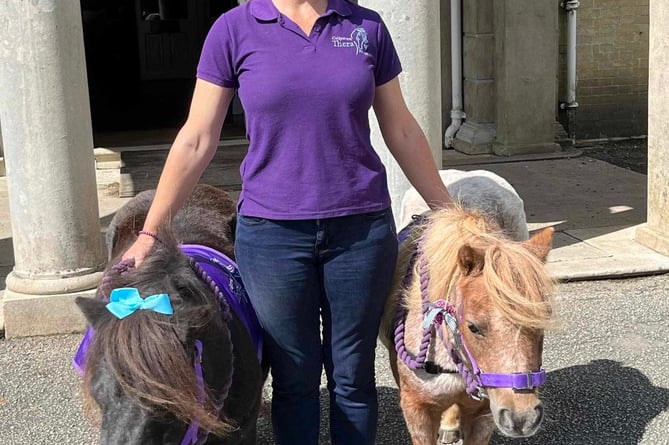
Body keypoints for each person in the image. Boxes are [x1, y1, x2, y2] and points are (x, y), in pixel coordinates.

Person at [122, 0, 453, 443]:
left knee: (352, 376)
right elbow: (197, 138)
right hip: (272, 236)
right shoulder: (234, 30)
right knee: (294, 379)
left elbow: (402, 129)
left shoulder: (364, 26)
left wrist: (449, 212)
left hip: (360, 232)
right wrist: (151, 230)